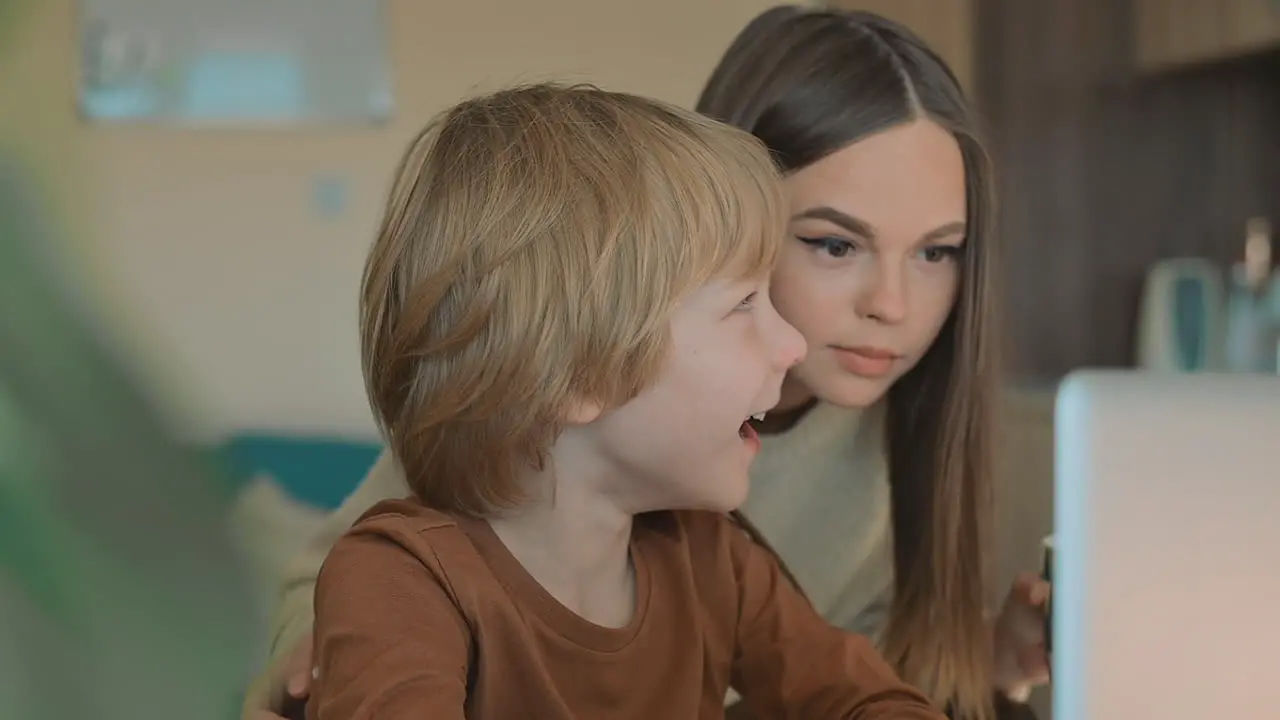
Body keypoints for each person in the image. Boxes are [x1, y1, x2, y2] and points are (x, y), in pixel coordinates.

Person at [245, 7, 1049, 720]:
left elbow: (849, 676)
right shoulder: (460, 504)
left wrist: (986, 654)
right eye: (834, 244)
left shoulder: (718, 544)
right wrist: (336, 655)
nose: (895, 305)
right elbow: (345, 592)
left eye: (939, 251)